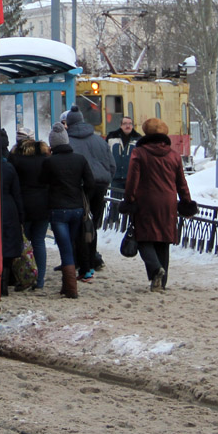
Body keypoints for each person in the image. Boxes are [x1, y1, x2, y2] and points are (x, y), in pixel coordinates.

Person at [124, 116, 193, 292]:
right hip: (168, 202)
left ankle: (156, 269)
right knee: (163, 240)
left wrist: (129, 199)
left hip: (146, 201)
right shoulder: (173, 155)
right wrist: (186, 201)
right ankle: (160, 284)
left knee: (143, 238)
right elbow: (181, 182)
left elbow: (133, 179)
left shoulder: (139, 153)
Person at [37, 122, 94, 298]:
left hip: (57, 210)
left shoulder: (49, 162)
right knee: (70, 242)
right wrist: (82, 196)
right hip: (77, 209)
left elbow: (42, 183)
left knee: (65, 247)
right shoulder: (80, 159)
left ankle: (70, 288)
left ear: (53, 144)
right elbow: (90, 183)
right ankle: (66, 285)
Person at [64, 105, 114, 277]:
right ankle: (92, 260)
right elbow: (111, 165)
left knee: (79, 225)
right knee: (92, 225)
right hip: (100, 186)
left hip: (80, 187)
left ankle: (81, 262)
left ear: (68, 124)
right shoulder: (100, 140)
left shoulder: (68, 142)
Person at [9, 132, 51, 289]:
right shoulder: (46, 159)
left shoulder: (16, 160)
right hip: (43, 205)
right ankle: (39, 281)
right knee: (39, 241)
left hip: (24, 205)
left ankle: (24, 277)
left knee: (23, 242)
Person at [0, 139, 24, 296]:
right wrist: (21, 216)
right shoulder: (8, 168)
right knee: (8, 245)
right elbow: (17, 193)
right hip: (9, 207)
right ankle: (5, 283)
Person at [106, 117, 141, 220]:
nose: (128, 126)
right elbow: (105, 154)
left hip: (132, 178)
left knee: (131, 202)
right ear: (121, 125)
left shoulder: (138, 139)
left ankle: (130, 222)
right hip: (116, 177)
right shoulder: (112, 137)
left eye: (130, 123)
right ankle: (113, 222)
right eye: (125, 123)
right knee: (114, 203)